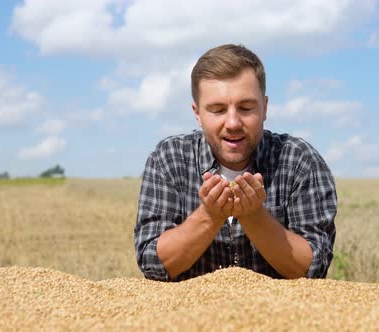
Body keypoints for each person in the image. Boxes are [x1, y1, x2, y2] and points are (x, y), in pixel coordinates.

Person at [134, 44, 337, 281]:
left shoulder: (299, 161)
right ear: (197, 113)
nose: (232, 123)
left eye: (246, 108)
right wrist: (209, 216)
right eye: (218, 110)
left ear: (265, 108)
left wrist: (254, 216)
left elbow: (313, 269)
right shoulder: (169, 159)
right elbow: (151, 263)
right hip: (187, 316)